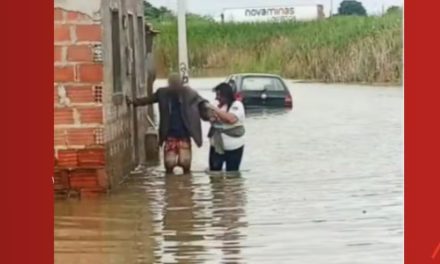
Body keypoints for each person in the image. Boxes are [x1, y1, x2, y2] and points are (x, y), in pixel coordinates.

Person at [129, 73, 211, 174]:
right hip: (169, 134)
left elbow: (201, 101)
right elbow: (148, 99)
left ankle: (186, 185)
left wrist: (207, 110)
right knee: (169, 163)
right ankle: (171, 185)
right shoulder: (162, 93)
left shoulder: (189, 93)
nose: (175, 86)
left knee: (184, 162)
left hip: (184, 134)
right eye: (173, 83)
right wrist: (134, 102)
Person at [208, 82, 246, 172]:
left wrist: (216, 110)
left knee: (232, 175)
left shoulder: (237, 105)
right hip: (216, 146)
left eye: (218, 95)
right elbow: (210, 119)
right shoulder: (216, 104)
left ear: (226, 95)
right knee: (214, 174)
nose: (216, 98)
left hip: (234, 148)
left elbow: (231, 119)